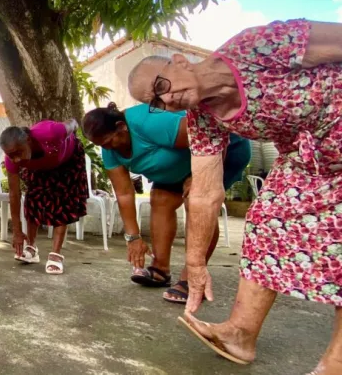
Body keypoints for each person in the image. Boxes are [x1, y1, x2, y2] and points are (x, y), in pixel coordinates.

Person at [127, 19, 342, 372]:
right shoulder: (204, 120)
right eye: (156, 101)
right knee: (266, 219)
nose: (166, 99)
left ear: (180, 61)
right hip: (310, 158)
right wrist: (194, 264)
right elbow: (205, 192)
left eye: (161, 86)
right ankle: (239, 335)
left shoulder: (256, 46)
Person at [83, 102, 251, 302]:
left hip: (223, 149)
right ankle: (160, 269)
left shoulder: (147, 122)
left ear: (121, 126)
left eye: (110, 142)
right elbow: (124, 194)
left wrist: (201, 176)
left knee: (197, 203)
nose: (108, 149)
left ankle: (193, 277)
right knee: (160, 199)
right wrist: (133, 238)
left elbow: (210, 136)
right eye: (102, 145)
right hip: (180, 164)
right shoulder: (108, 145)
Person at [0, 119, 89, 274]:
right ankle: (32, 247)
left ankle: (56, 254)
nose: (16, 160)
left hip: (68, 159)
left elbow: (73, 123)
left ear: (28, 140)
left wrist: (69, 136)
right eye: (11, 155)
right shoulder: (12, 160)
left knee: (63, 201)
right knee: (33, 198)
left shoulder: (51, 132)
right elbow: (14, 194)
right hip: (40, 164)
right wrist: (17, 231)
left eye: (18, 153)